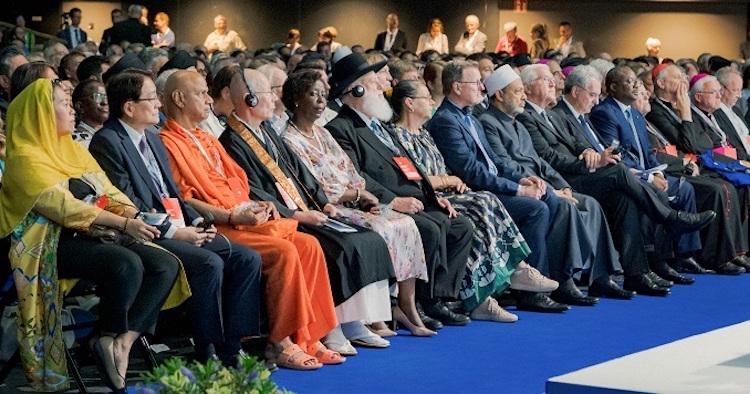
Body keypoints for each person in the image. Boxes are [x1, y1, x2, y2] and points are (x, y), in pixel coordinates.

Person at [0, 78, 189, 392]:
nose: (72, 110)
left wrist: (131, 215)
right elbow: (64, 208)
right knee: (125, 264)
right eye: (63, 103)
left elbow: (108, 191)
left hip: (92, 235)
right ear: (41, 114)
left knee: (164, 265)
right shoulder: (24, 158)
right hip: (49, 244)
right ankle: (108, 336)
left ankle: (119, 342)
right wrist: (124, 225)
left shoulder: (73, 149)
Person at [158, 70, 344, 369]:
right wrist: (233, 214)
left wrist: (255, 205)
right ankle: (279, 343)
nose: (210, 99)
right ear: (179, 98)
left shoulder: (207, 138)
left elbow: (238, 181)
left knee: (308, 245)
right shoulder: (166, 142)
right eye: (202, 94)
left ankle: (308, 337)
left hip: (242, 216)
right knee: (284, 252)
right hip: (219, 224)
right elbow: (185, 199)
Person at [89, 69, 265, 365]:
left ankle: (232, 347)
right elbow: (125, 201)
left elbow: (173, 193)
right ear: (129, 107)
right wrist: (175, 232)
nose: (159, 104)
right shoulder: (108, 141)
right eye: (151, 99)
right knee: (208, 263)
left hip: (177, 226)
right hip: (143, 233)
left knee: (247, 258)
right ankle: (206, 351)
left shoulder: (153, 140)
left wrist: (197, 222)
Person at [221, 67, 397, 349]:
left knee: (364, 238)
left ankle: (352, 319)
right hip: (281, 217)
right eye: (267, 94)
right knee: (336, 247)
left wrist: (323, 202)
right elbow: (255, 190)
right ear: (249, 99)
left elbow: (300, 172)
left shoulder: (266, 131)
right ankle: (331, 327)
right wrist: (297, 214)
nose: (274, 100)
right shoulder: (231, 141)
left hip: (305, 208)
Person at [326, 53, 475, 326]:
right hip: (380, 203)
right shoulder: (341, 128)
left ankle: (438, 298)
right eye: (373, 82)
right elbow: (356, 176)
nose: (383, 87)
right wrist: (393, 201)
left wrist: (434, 197)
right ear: (356, 90)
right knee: (429, 228)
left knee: (459, 225)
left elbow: (409, 165)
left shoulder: (379, 124)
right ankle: (417, 303)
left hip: (413, 196)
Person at [281, 70, 435, 334]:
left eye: (322, 95)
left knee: (405, 224)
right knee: (381, 231)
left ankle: (407, 307)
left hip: (355, 200)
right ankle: (373, 318)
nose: (320, 102)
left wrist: (362, 194)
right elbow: (313, 188)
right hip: (330, 207)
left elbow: (350, 170)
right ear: (296, 99)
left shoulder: (322, 134)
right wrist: (355, 195)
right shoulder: (289, 139)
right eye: (312, 95)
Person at [393, 79, 560, 321]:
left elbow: (455, 167)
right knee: (483, 202)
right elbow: (413, 178)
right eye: (426, 98)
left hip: (450, 192)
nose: (432, 102)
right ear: (409, 103)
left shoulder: (425, 134)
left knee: (483, 204)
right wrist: (447, 180)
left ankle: (490, 291)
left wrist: (452, 181)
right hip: (430, 197)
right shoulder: (397, 137)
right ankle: (511, 274)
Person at [480, 64, 637, 305]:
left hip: (542, 184)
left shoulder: (518, 123)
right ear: (499, 94)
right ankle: (561, 282)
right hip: (523, 187)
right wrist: (552, 191)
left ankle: (601, 277)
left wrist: (564, 187)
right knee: (562, 205)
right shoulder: (489, 121)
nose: (523, 96)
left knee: (590, 203)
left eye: (523, 91)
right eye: (517, 91)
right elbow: (504, 165)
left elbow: (541, 163)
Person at [426, 60, 569, 311]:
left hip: (491, 184)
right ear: (457, 87)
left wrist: (522, 179)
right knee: (536, 208)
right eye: (475, 82)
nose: (482, 87)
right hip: (476, 192)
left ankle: (531, 279)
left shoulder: (471, 118)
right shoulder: (446, 120)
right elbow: (471, 171)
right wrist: (517, 190)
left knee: (548, 197)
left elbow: (495, 163)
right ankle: (528, 291)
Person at [589, 66, 713, 279]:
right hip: (629, 176)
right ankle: (658, 260)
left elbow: (648, 152)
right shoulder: (604, 112)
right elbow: (618, 155)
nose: (637, 86)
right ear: (613, 87)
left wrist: (659, 174)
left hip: (648, 173)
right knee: (657, 194)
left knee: (685, 190)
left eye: (636, 81)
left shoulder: (635, 114)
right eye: (629, 82)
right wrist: (649, 177)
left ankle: (684, 256)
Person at [72, 79, 109, 148]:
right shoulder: (78, 142)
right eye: (98, 97)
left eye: (107, 97)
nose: (105, 102)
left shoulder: (112, 135)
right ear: (80, 106)